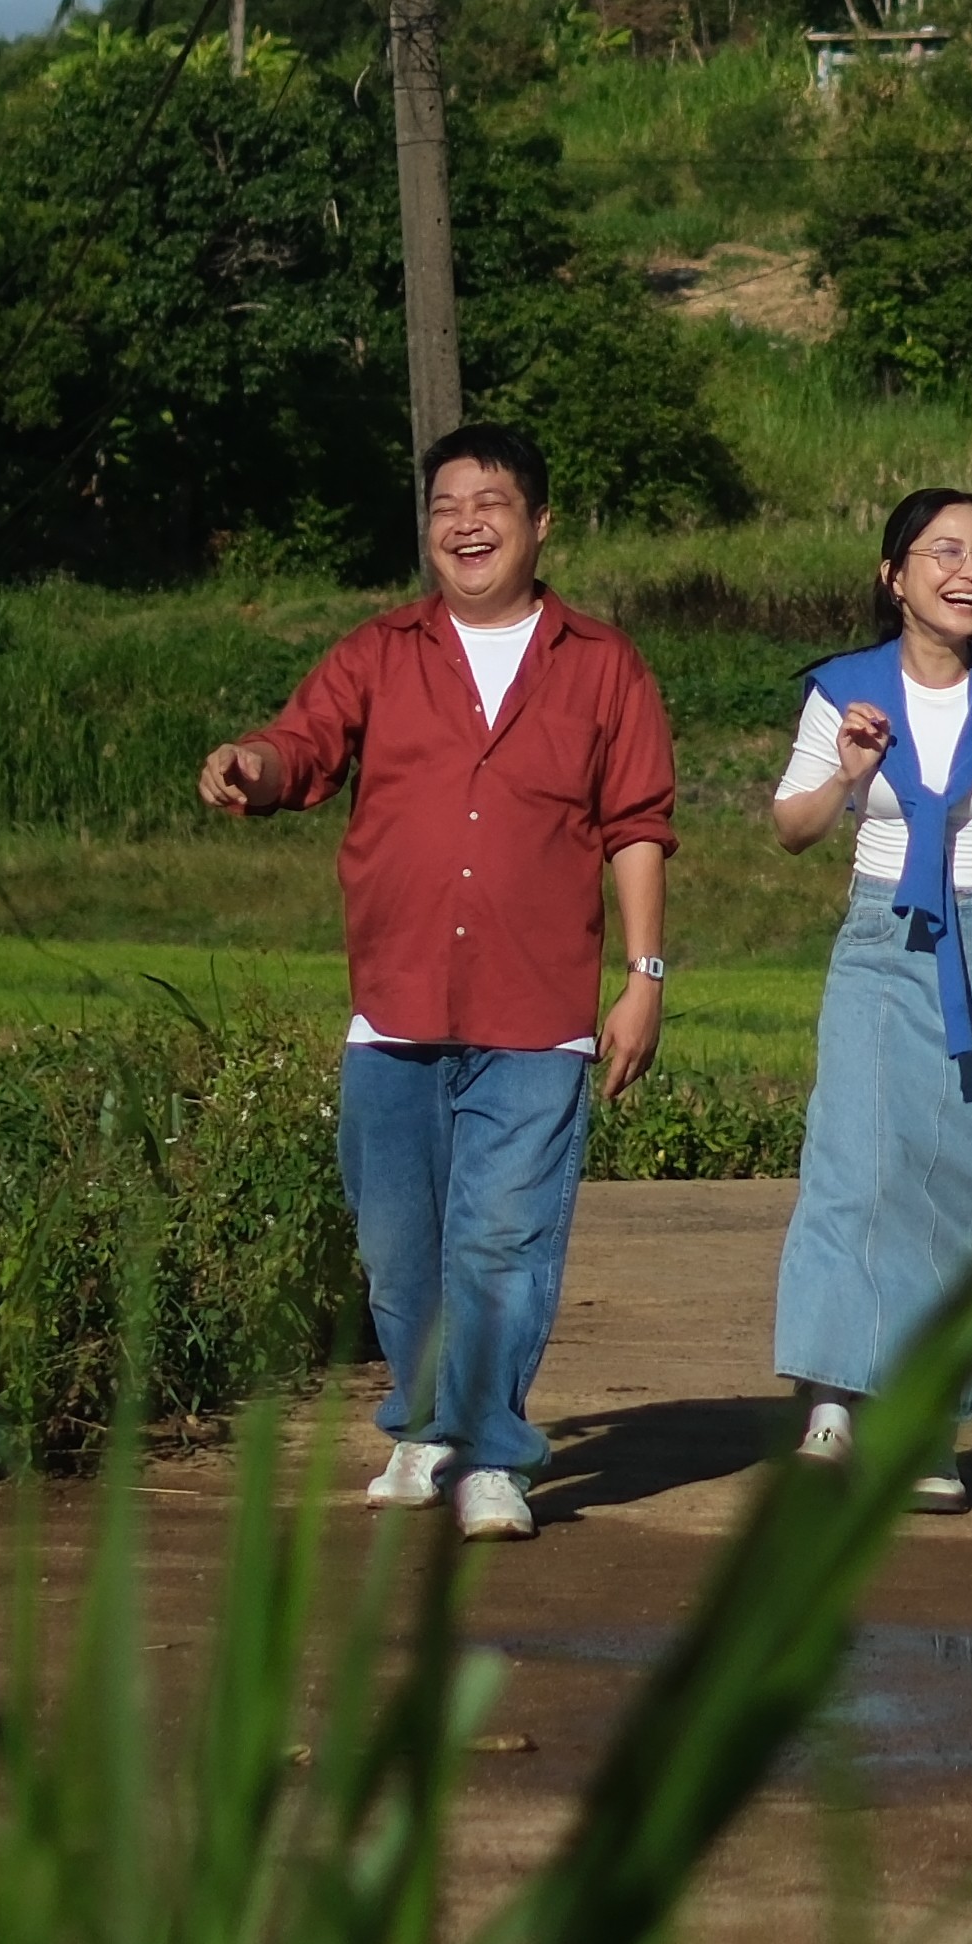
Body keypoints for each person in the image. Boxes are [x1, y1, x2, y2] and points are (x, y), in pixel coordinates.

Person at [197, 421, 676, 1541]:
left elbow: (637, 825)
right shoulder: (380, 651)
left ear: (540, 523)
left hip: (538, 1011)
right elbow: (300, 746)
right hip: (396, 1005)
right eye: (446, 505)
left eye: (492, 502)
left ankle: (493, 1454)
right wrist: (249, 767)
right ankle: (425, 1422)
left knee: (502, 1238)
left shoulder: (602, 664)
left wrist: (645, 974)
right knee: (400, 1249)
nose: (466, 522)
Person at [762, 485, 972, 1508]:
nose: (969, 573)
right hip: (878, 937)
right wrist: (851, 775)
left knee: (959, 1183)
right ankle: (832, 1403)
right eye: (943, 552)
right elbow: (792, 825)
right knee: (853, 1163)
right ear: (893, 575)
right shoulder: (844, 688)